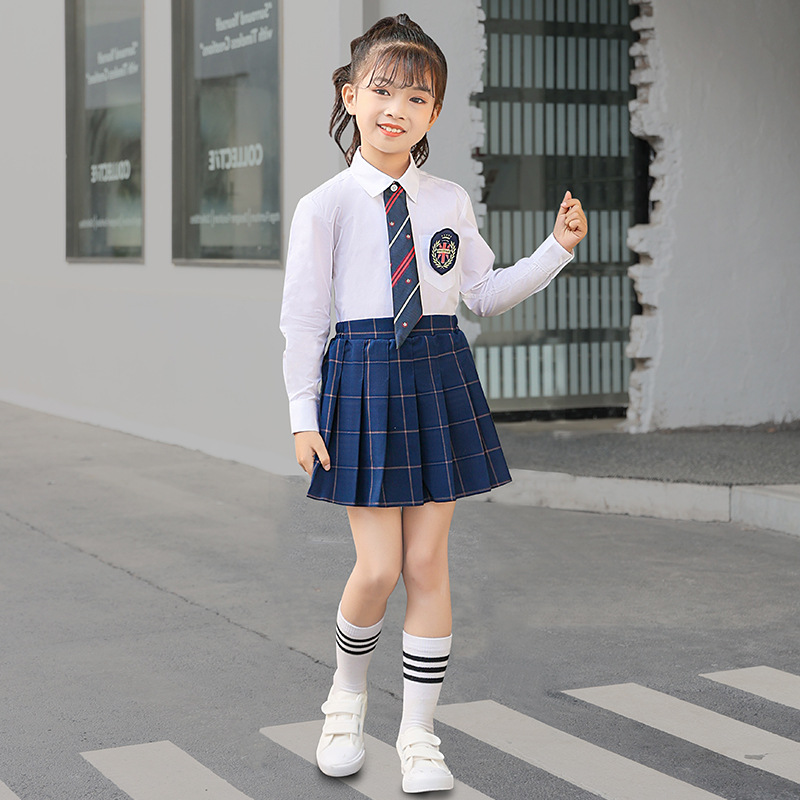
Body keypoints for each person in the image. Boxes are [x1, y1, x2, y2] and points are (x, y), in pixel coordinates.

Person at [280, 13, 587, 794]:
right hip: (364, 379)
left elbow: (479, 294)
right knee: (378, 566)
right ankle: (345, 703)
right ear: (351, 96)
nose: (397, 107)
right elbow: (304, 321)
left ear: (435, 113)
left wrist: (555, 251)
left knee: (426, 563)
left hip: (438, 370)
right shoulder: (325, 206)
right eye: (382, 90)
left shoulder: (449, 199)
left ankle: (418, 736)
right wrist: (303, 414)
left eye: (417, 96)